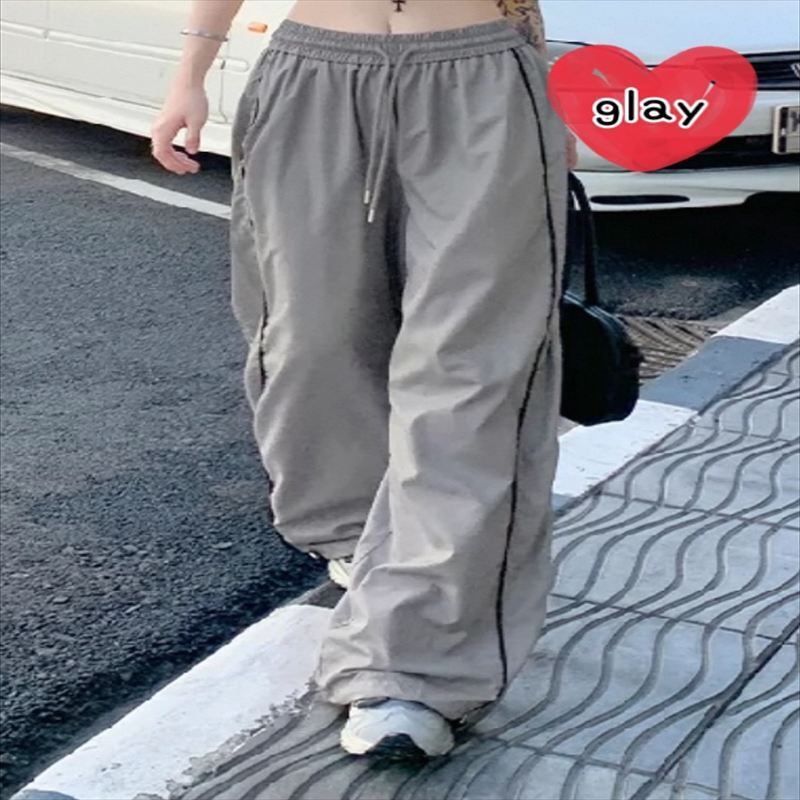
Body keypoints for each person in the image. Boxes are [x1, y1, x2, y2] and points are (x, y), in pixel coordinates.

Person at [151, 0, 577, 760]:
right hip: (314, 72)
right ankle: (357, 531)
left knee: (469, 370)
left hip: (480, 72)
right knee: (310, 340)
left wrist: (541, 85)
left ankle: (413, 666)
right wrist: (190, 72)